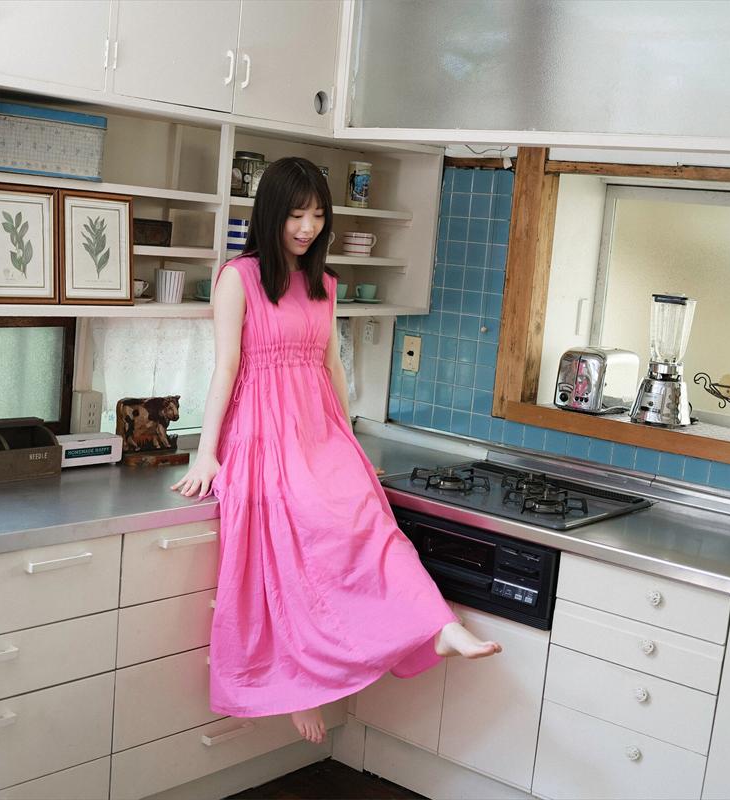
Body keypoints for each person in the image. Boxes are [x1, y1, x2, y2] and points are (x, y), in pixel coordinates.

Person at [171, 157, 501, 745]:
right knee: (301, 531)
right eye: (297, 215)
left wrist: (347, 440)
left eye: (319, 215)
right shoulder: (238, 279)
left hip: (318, 430)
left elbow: (332, 367)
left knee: (369, 519)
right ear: (272, 213)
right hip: (262, 433)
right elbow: (225, 368)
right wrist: (206, 453)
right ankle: (304, 681)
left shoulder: (325, 284)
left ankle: (438, 626)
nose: (308, 227)